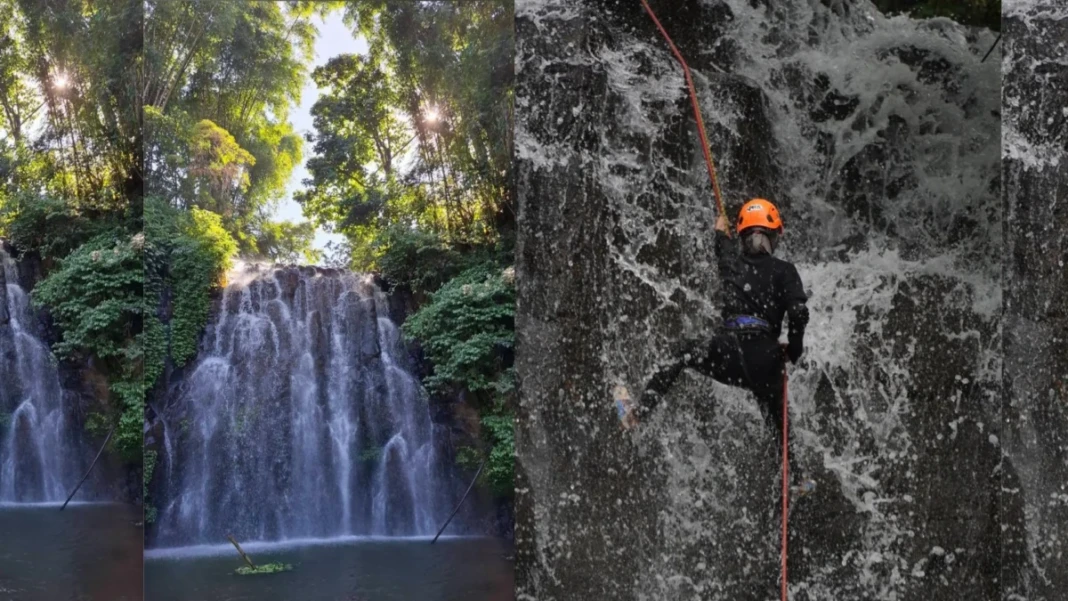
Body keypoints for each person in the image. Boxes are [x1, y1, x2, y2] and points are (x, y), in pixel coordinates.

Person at [615, 198, 813, 493]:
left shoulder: (734, 264)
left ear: (744, 236)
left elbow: (724, 252)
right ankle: (796, 477)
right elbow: (798, 312)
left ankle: (638, 413)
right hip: (765, 358)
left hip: (729, 353)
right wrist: (792, 351)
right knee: (776, 414)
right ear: (773, 237)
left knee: (681, 352)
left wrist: (720, 232)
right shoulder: (785, 270)